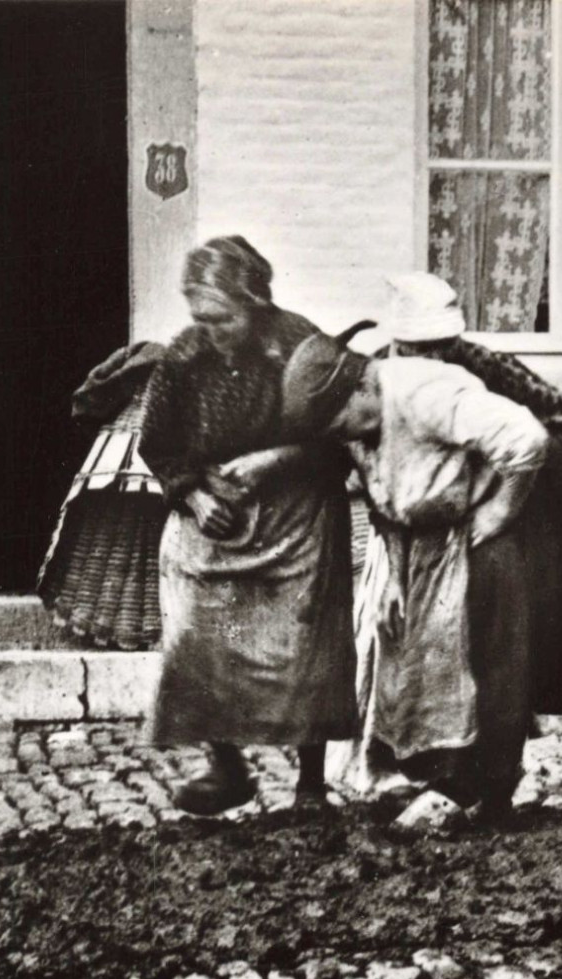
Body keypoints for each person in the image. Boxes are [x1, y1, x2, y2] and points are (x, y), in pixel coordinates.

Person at [272, 324, 562, 825]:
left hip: (513, 509)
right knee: (418, 646)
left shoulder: (429, 392)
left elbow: (528, 439)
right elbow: (384, 499)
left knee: (490, 649)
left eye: (339, 422)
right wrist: (392, 573)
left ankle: (494, 794)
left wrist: (501, 510)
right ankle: (448, 780)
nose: (342, 437)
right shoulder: (354, 424)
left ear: (362, 389)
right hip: (427, 529)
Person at [340, 273, 562, 801]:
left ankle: (487, 775)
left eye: (442, 346)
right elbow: (376, 475)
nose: (434, 354)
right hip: (413, 520)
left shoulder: (477, 364)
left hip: (502, 509)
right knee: (399, 637)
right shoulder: (371, 381)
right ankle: (394, 763)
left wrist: (497, 494)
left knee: (494, 639)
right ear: (400, 342)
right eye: (423, 346)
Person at [137, 236, 357, 816]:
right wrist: (190, 493)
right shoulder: (185, 356)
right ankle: (227, 768)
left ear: (255, 301)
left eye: (223, 318)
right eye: (200, 318)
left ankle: (310, 784)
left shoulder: (300, 347)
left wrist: (276, 459)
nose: (211, 330)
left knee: (303, 646)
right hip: (219, 518)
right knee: (202, 639)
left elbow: (343, 439)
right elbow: (157, 445)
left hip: (296, 521)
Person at [37, 341, 167, 651]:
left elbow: (90, 394)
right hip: (128, 440)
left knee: (133, 524)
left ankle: (139, 617)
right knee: (114, 525)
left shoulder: (152, 361)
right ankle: (116, 615)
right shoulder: (155, 357)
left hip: (130, 439)